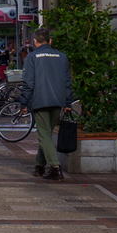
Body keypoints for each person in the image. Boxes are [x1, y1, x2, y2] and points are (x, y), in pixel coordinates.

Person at [20, 27, 76, 181]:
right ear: (50, 41)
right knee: (47, 134)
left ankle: (55, 167)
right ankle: (39, 165)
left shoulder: (32, 57)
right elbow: (67, 81)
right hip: (58, 100)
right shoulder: (62, 57)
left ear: (34, 42)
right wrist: (68, 102)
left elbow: (28, 82)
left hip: (40, 100)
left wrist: (23, 102)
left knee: (44, 135)